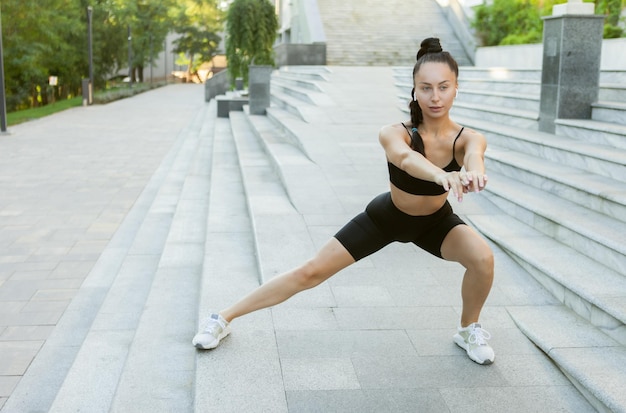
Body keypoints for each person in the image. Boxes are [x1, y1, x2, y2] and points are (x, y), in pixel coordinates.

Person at [193, 37, 495, 365]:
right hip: (387, 217)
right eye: (425, 88)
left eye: (443, 87)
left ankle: (468, 329)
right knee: (310, 272)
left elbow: (475, 157)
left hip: (435, 223)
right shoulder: (394, 132)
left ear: (456, 88)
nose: (435, 97)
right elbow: (405, 160)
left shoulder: (470, 137)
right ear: (414, 90)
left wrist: (473, 174)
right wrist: (442, 176)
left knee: (482, 258)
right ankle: (222, 318)